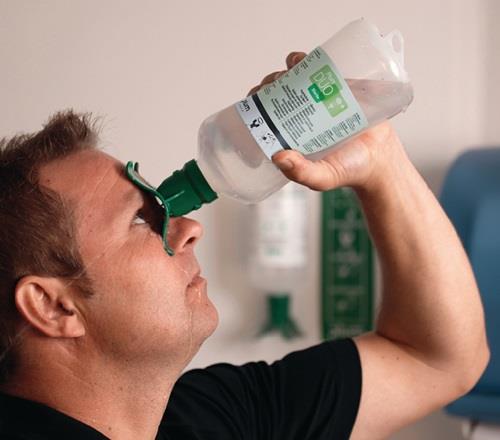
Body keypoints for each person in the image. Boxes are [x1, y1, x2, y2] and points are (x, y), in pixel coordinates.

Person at [0, 52, 490, 440]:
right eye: (141, 220)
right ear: (52, 306)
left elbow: (438, 360)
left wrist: (378, 160)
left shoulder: (208, 417)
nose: (189, 229)